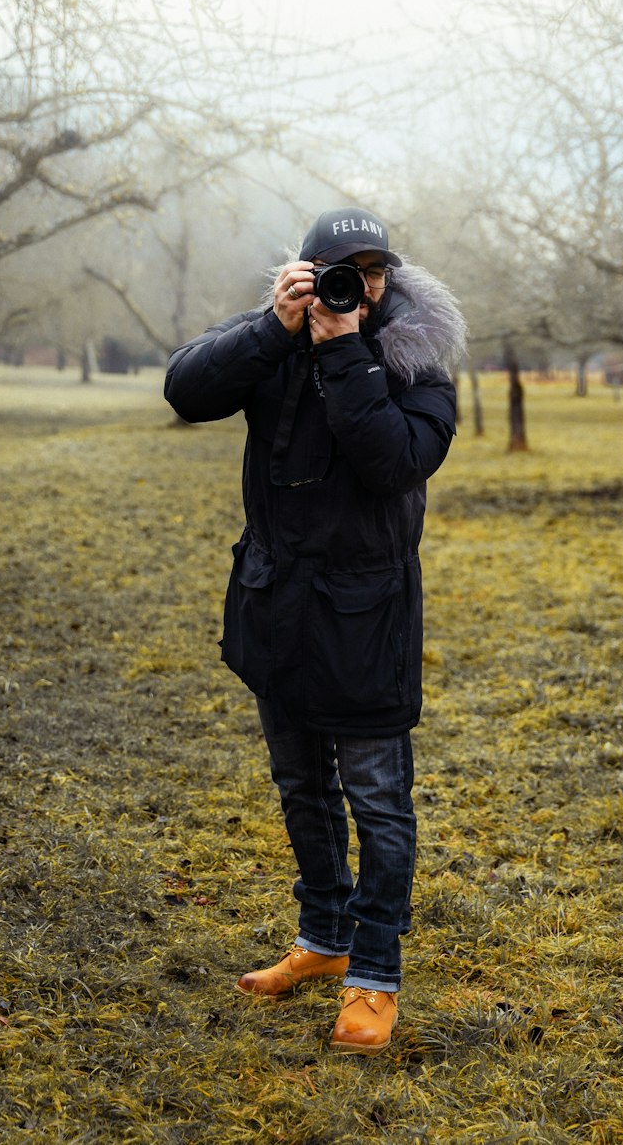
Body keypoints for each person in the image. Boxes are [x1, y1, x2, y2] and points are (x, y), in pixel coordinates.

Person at [164, 206, 466, 1054]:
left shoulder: (419, 365)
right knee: (301, 787)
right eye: (339, 270)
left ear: (389, 281)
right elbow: (186, 392)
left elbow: (392, 462)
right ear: (303, 273)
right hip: (277, 606)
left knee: (377, 799)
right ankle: (323, 941)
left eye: (371, 273)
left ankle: (374, 977)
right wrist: (273, 327)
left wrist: (341, 349)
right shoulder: (276, 339)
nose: (356, 286)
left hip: (366, 616)